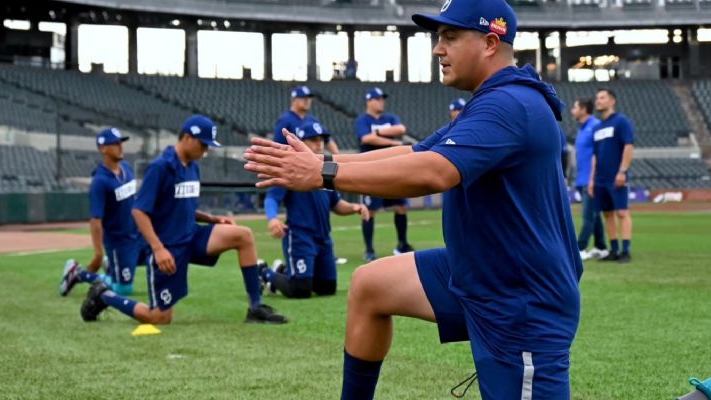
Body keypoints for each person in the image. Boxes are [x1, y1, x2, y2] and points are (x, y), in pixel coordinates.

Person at [244, 0, 583, 397]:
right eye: (438, 38)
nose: (438, 49)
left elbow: (433, 171)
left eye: (450, 37)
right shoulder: (494, 99)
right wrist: (322, 162)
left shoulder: (509, 104)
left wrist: (323, 173)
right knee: (371, 285)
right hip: (483, 274)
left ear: (491, 43)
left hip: (520, 302)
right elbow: (415, 153)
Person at [80, 115, 287, 325]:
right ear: (187, 138)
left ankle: (255, 307)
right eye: (203, 144)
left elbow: (182, 206)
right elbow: (139, 211)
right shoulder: (160, 167)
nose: (205, 151)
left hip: (191, 235)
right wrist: (158, 249)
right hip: (168, 247)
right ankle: (104, 295)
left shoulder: (192, 165)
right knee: (160, 317)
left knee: (243, 235)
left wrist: (212, 219)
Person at [260, 122, 369, 299]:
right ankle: (265, 273)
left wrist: (354, 208)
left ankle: (285, 270)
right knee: (300, 290)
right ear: (300, 142)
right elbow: (272, 198)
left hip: (324, 239)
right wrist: (272, 218)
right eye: (313, 140)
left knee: (327, 288)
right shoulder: (290, 169)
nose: (319, 143)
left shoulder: (327, 169)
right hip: (300, 236)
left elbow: (336, 204)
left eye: (321, 139)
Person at [59, 127, 148, 297]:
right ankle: (77, 272)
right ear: (103, 149)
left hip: (137, 234)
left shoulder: (127, 168)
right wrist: (98, 253)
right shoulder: (100, 182)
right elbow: (96, 220)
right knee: (123, 289)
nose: (120, 146)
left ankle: (113, 266)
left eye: (121, 142)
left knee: (160, 254)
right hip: (119, 241)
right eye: (115, 144)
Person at [355, 87, 413, 261]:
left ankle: (402, 243)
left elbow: (401, 128)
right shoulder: (362, 119)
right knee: (370, 210)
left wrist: (378, 133)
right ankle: (369, 249)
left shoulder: (390, 118)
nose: (381, 101)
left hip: (393, 169)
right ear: (369, 101)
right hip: (370, 170)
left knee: (401, 206)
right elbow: (366, 139)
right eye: (377, 99)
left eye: (382, 98)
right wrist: (393, 143)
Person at [589, 88, 635, 264]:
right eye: (597, 98)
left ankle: (626, 250)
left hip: (616, 176)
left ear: (612, 101)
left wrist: (622, 171)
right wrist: (592, 180)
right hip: (600, 178)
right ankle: (613, 249)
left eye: (602, 97)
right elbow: (595, 156)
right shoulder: (597, 128)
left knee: (622, 212)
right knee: (607, 214)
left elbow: (628, 146)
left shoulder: (621, 122)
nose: (598, 101)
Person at [571, 98, 608, 261]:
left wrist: (594, 179)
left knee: (588, 216)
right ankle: (601, 247)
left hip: (591, 180)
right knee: (594, 215)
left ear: (584, 109)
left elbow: (600, 154)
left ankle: (580, 248)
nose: (572, 110)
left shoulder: (595, 127)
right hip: (581, 179)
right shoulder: (581, 129)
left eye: (575, 107)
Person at [274, 85, 340, 155]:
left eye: (309, 98)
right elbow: (278, 146)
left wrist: (338, 157)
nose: (307, 101)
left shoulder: (313, 120)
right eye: (303, 98)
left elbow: (328, 140)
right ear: (294, 100)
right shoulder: (284, 120)